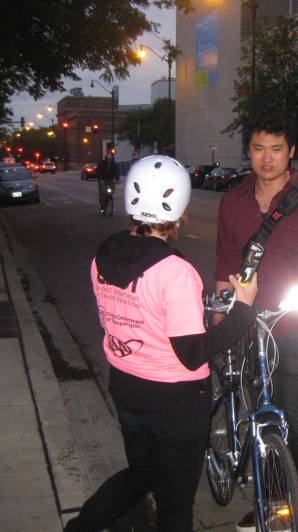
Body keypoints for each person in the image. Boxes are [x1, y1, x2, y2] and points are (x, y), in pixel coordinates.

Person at [65, 155, 258, 532]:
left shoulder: (101, 259)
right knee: (174, 503)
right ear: (181, 211)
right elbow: (191, 354)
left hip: (125, 386)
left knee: (142, 474)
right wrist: (244, 309)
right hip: (175, 403)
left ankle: (82, 527)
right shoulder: (176, 272)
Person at [214, 113, 298, 532]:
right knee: (259, 417)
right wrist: (221, 317)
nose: (266, 158)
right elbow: (224, 264)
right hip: (249, 325)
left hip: (297, 323)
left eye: (276, 148)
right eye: (257, 148)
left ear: (291, 152)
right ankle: (271, 500)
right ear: (248, 151)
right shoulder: (232, 202)